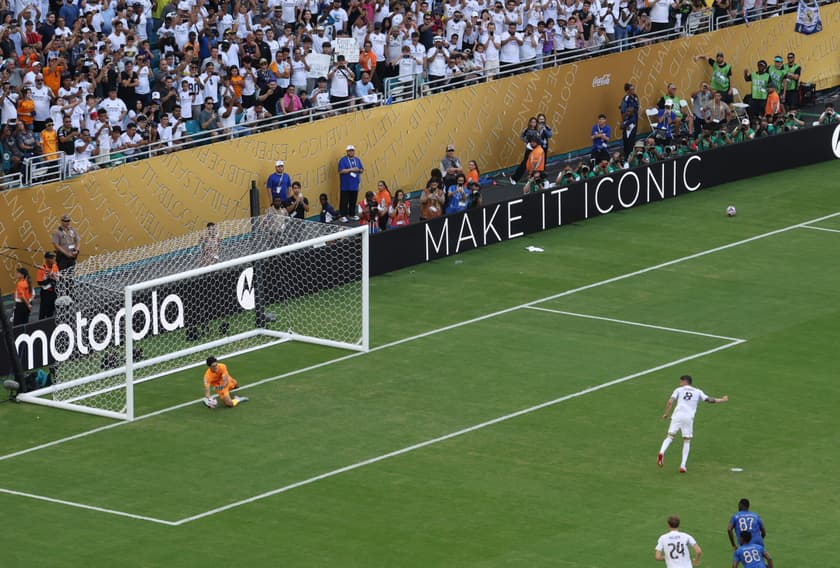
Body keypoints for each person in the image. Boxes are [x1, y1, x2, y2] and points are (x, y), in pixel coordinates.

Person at [658, 374, 728, 472]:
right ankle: (682, 466)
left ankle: (661, 452)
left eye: (680, 381)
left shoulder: (678, 390)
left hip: (677, 416)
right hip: (688, 417)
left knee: (670, 436)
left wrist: (666, 414)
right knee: (687, 440)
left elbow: (670, 402)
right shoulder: (698, 391)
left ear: (684, 381)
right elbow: (709, 400)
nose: (680, 383)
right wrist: (722, 400)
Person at [338, 144, 364, 223]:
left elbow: (362, 169)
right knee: (344, 201)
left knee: (353, 200)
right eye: (350, 151)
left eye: (352, 150)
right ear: (347, 152)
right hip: (345, 185)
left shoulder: (357, 160)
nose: (351, 152)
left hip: (354, 185)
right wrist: (352, 169)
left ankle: (352, 214)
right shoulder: (343, 160)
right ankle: (343, 215)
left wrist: (359, 170)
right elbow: (341, 171)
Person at [36, 251, 60, 319]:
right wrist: (49, 279)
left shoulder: (55, 266)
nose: (52, 260)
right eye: (50, 258)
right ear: (46, 259)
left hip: (54, 291)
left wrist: (54, 278)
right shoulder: (42, 269)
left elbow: (58, 277)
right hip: (46, 293)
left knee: (52, 310)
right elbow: (39, 282)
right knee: (43, 311)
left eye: (53, 258)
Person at [620, 83, 640, 159]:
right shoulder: (626, 98)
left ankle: (632, 152)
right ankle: (627, 154)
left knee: (633, 136)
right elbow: (622, 111)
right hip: (628, 120)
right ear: (627, 91)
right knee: (628, 137)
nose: (633, 90)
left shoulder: (635, 96)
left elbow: (637, 106)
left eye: (634, 89)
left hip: (635, 118)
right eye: (631, 89)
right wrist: (624, 122)